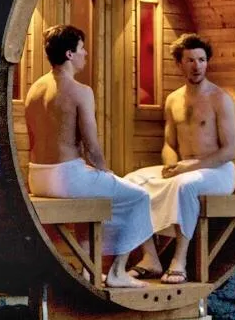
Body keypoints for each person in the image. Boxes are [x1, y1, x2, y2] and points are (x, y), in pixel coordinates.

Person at [25, 24, 154, 289]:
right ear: (70, 54)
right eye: (82, 48)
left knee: (92, 198)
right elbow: (92, 147)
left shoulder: (34, 89)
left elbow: (33, 140)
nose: (86, 53)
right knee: (140, 197)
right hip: (67, 177)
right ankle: (118, 271)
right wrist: (105, 172)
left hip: (37, 176)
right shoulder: (80, 91)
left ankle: (87, 270)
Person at [126, 33, 235, 285]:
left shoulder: (220, 99)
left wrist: (191, 166)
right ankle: (150, 259)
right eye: (190, 60)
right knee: (131, 182)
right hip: (185, 168)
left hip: (217, 171)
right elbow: (169, 143)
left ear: (207, 62)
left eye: (201, 59)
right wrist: (170, 164)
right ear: (179, 64)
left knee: (184, 186)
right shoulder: (173, 99)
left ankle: (179, 260)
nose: (197, 66)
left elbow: (229, 151)